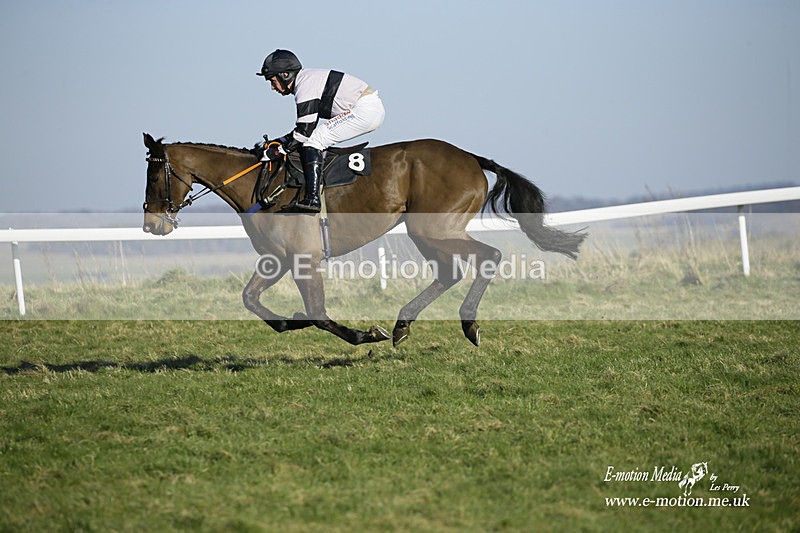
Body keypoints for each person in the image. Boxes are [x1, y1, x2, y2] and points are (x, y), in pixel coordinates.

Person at [257, 49, 385, 212]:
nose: (272, 88)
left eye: (272, 80)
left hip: (365, 110)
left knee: (313, 141)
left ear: (285, 75)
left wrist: (277, 152)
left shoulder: (305, 85)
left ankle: (313, 199)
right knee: (313, 138)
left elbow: (304, 133)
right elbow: (304, 128)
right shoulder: (306, 80)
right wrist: (280, 141)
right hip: (367, 108)